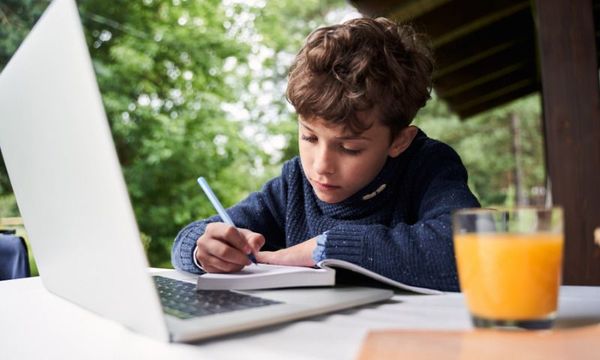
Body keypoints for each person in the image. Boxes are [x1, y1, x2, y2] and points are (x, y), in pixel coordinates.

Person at [172, 17, 480, 291]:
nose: (321, 166)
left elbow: (471, 249)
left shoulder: (427, 166)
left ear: (399, 141)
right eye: (308, 136)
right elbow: (190, 238)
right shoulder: (294, 183)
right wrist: (204, 250)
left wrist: (324, 248)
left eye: (350, 148)